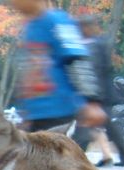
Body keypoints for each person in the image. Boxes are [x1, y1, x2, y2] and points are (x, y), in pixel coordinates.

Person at [10, 0, 107, 132]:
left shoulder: (58, 20)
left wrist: (91, 101)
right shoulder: (29, 28)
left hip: (60, 111)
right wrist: (25, 111)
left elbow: (77, 59)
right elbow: (28, 72)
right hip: (36, 114)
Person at [76, 15, 124, 167]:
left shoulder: (97, 45)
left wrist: (94, 95)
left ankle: (76, 158)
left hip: (99, 95)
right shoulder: (85, 45)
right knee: (103, 128)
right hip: (92, 94)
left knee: (86, 128)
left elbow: (100, 70)